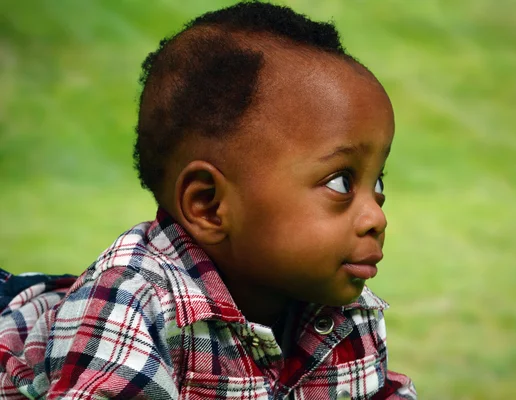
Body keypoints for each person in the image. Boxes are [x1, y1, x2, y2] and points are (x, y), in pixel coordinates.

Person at [0, 2, 416, 398]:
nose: (376, 216)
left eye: (377, 182)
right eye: (341, 182)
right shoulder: (134, 302)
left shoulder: (344, 313)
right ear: (209, 205)